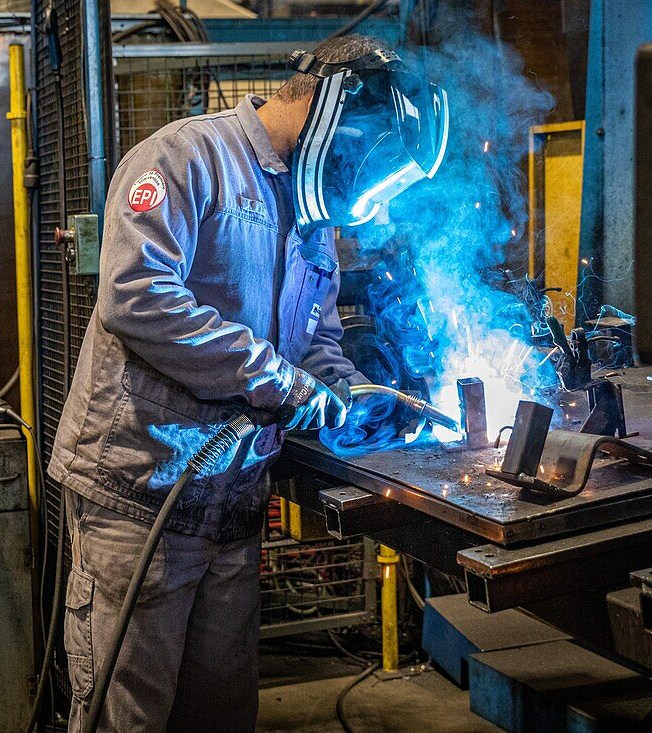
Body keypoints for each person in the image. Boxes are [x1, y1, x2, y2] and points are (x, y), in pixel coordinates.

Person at [47, 32, 449, 732]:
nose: (364, 180)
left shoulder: (312, 219)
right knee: (130, 719)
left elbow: (316, 343)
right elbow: (134, 293)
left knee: (221, 716)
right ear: (334, 114)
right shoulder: (185, 159)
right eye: (369, 155)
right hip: (139, 500)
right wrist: (279, 381)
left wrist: (354, 398)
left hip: (231, 512)